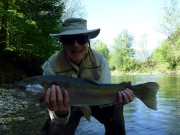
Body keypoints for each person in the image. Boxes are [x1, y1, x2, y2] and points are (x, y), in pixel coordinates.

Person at [41, 18, 135, 135]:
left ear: (88, 41)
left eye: (81, 39)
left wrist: (119, 99)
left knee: (116, 109)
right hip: (67, 106)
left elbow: (105, 94)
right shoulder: (50, 66)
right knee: (53, 130)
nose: (76, 45)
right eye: (69, 40)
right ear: (62, 43)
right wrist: (60, 113)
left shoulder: (100, 60)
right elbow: (52, 108)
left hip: (96, 100)